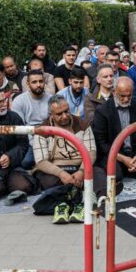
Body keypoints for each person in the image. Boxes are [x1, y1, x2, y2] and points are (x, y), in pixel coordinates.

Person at [92, 77, 136, 197]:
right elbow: (101, 142)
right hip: (114, 154)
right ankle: (125, 169)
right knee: (115, 174)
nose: (126, 99)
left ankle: (130, 167)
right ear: (114, 93)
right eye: (122, 96)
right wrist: (123, 159)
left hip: (133, 153)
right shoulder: (103, 111)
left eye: (129, 95)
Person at [33, 95, 96, 224]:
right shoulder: (42, 129)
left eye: (67, 111)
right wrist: (61, 174)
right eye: (59, 114)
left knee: (98, 173)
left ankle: (67, 201)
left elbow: (91, 152)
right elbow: (41, 161)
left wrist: (82, 171)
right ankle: (78, 201)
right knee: (46, 178)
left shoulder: (82, 124)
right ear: (51, 114)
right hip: (57, 168)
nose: (65, 116)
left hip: (80, 165)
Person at [12, 70, 52, 169]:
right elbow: (19, 128)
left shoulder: (52, 99)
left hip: (50, 138)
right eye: (34, 82)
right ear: (28, 83)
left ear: (44, 82)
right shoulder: (19, 101)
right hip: (29, 140)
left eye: (40, 81)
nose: (38, 85)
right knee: (25, 163)